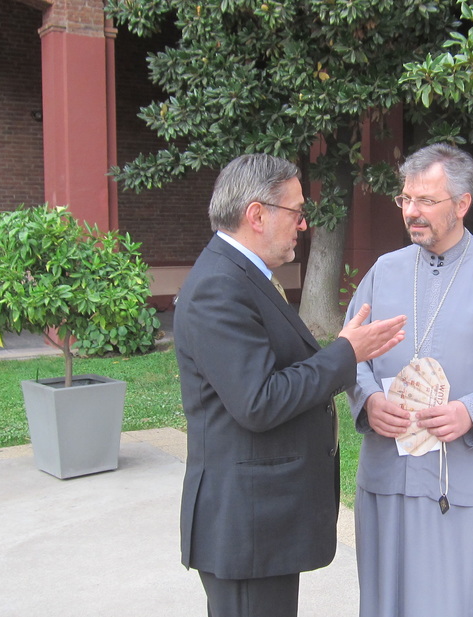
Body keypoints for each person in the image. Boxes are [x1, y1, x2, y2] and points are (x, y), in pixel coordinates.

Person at [173, 153, 406, 617]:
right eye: (296, 212)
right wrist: (346, 353)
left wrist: (343, 352)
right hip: (246, 528)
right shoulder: (219, 286)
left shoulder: (245, 276)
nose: (303, 224)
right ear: (256, 215)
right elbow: (258, 401)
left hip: (263, 524)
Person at [344, 143, 473, 617]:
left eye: (425, 200)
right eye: (405, 199)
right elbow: (349, 353)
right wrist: (369, 399)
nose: (411, 212)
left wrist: (471, 412)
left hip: (459, 480)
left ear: (462, 204)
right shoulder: (384, 272)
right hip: (388, 474)